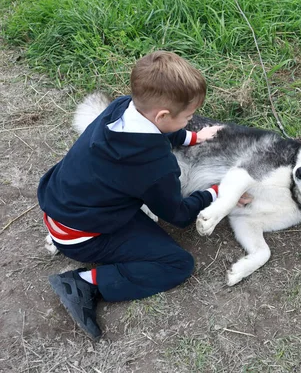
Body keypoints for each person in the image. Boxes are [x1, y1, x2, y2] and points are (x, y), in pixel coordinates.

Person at [39, 51, 227, 339]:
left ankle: (64, 241)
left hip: (61, 204)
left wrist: (191, 137)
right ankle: (85, 283)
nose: (191, 121)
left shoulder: (121, 107)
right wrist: (216, 192)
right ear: (163, 115)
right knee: (178, 264)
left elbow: (160, 129)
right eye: (189, 117)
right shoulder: (155, 166)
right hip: (83, 236)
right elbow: (178, 215)